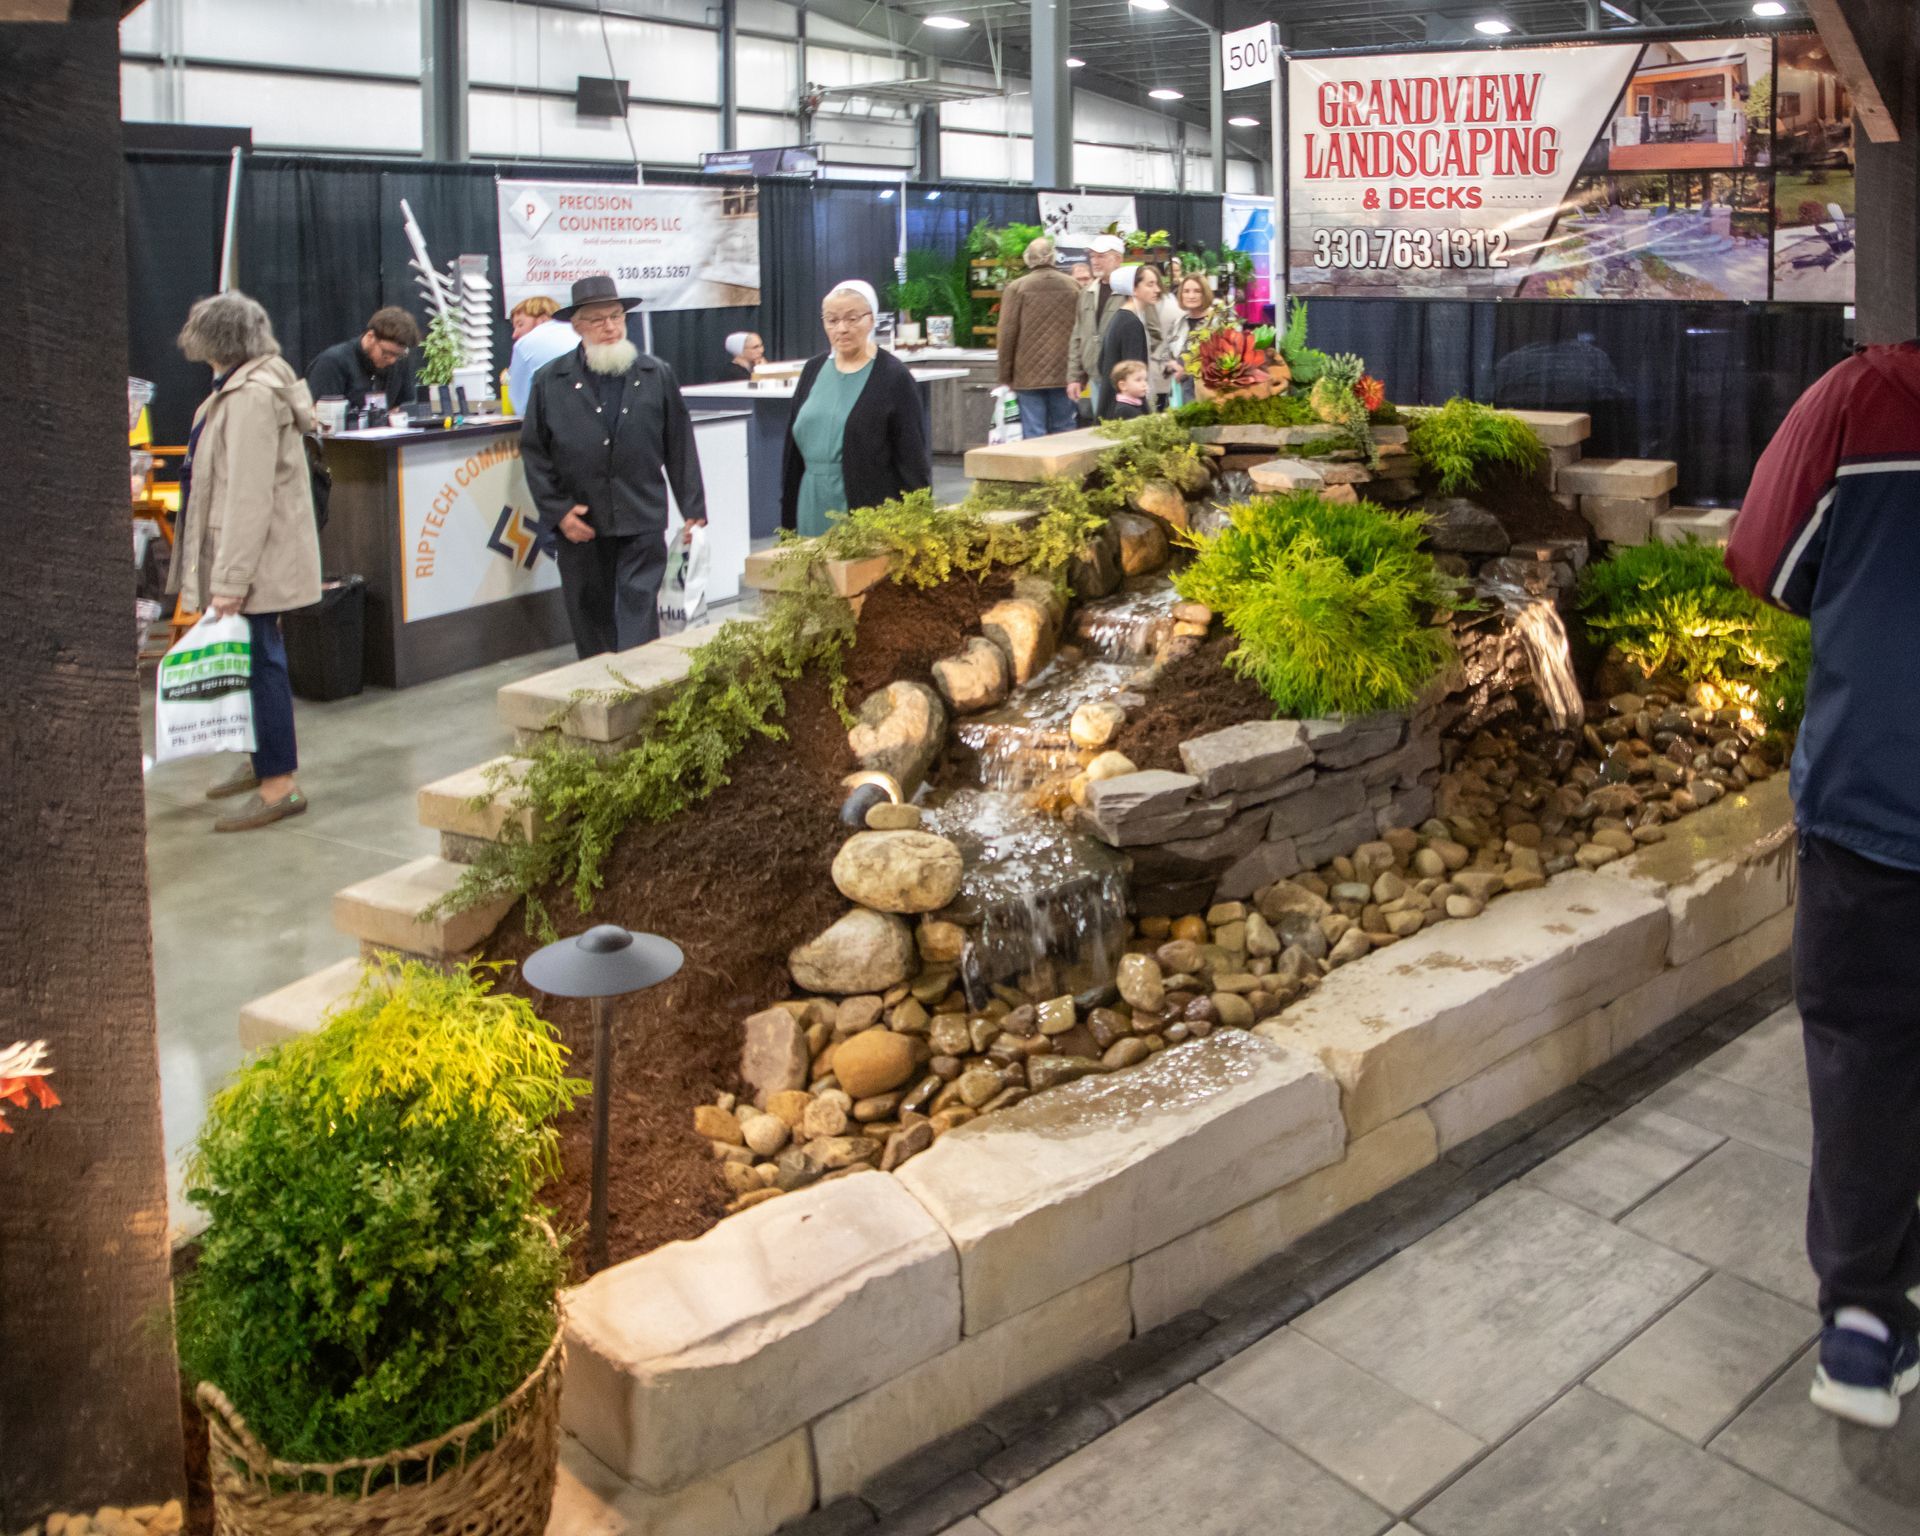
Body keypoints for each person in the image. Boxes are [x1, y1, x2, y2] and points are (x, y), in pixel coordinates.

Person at [1727, 339, 1920, 1430]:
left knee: (1862, 1054)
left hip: (1874, 802)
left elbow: (1768, 566)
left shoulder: (1861, 399)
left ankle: (1861, 1316)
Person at [171, 291, 323, 832]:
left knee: (261, 663)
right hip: (251, 555)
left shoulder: (252, 395)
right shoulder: (242, 385)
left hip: (257, 560)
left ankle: (279, 784)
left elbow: (249, 496)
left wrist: (230, 581)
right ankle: (261, 759)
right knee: (250, 659)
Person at [520, 275, 707, 659]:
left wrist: (693, 510)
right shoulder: (549, 381)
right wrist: (557, 511)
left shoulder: (656, 375)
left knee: (640, 614)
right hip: (581, 521)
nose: (609, 327)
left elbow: (679, 444)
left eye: (616, 317)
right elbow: (535, 452)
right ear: (577, 327)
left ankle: (638, 694)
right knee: (589, 616)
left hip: (641, 512)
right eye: (597, 320)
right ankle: (600, 696)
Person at [781, 280, 931, 537]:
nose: (842, 328)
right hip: (810, 500)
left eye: (852, 319)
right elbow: (791, 454)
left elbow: (912, 458)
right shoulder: (813, 370)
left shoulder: (893, 376)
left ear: (871, 320)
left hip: (867, 504)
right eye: (832, 320)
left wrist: (918, 524)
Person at [995, 236, 1080, 440]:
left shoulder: (1016, 288)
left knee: (1034, 434)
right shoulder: (1074, 286)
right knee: (1065, 430)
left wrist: (1005, 377)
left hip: (1027, 374)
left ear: (1028, 259)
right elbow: (1082, 330)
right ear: (1053, 257)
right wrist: (1079, 373)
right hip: (1064, 372)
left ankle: (1037, 473)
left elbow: (1007, 334)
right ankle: (1066, 472)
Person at [306, 305, 419, 416]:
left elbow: (405, 406)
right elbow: (319, 418)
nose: (392, 360)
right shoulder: (332, 363)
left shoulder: (399, 362)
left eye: (399, 355)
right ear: (370, 337)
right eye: (386, 353)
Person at [1067, 233, 1128, 415]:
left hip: (1125, 380)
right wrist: (1074, 377)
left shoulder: (1130, 292)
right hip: (1096, 377)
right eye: (1092, 256)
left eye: (1101, 256)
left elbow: (1153, 334)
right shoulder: (1087, 293)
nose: (1095, 261)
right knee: (1102, 432)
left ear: (1118, 259)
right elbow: (1078, 337)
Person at [1095, 265, 1164, 422]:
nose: (1157, 289)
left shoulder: (1119, 318)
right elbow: (1134, 372)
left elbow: (1101, 363)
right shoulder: (1131, 324)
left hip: (1110, 405)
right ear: (1133, 289)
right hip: (1125, 413)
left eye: (1156, 284)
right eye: (1150, 284)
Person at [505, 295, 577, 416]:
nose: (514, 334)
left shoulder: (524, 344)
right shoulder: (580, 332)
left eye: (520, 324)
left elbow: (521, 406)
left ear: (543, 320)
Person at [1167, 272, 1216, 395]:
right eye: (1186, 291)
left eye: (1197, 291)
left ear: (1205, 293)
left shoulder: (1217, 322)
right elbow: (1166, 354)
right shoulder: (1178, 323)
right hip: (1180, 393)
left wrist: (1188, 371)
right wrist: (1171, 364)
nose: (1191, 296)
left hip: (1209, 393)